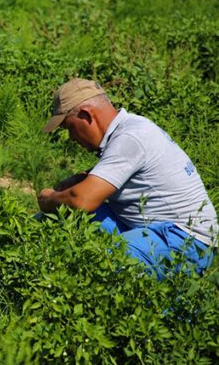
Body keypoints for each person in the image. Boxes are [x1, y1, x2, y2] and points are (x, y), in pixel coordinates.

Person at [37, 78, 217, 280]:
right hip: (155, 230)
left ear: (86, 115)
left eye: (70, 127)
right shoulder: (130, 128)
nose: (71, 137)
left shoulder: (130, 137)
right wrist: (75, 182)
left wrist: (48, 198)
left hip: (184, 240)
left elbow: (82, 200)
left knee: (108, 259)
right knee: (61, 218)